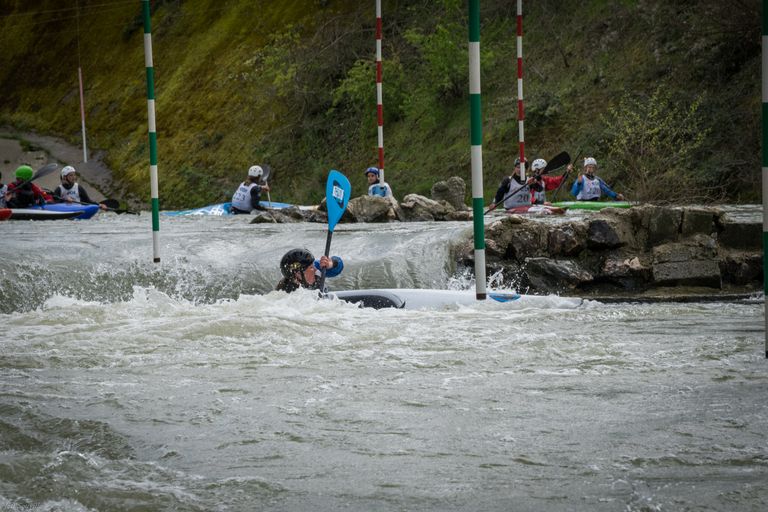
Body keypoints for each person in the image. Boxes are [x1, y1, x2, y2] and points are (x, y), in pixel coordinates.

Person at [276, 248, 344, 293]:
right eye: (311, 267)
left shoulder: (315, 267)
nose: (315, 269)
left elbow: (339, 267)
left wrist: (331, 264)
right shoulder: (287, 295)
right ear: (298, 274)